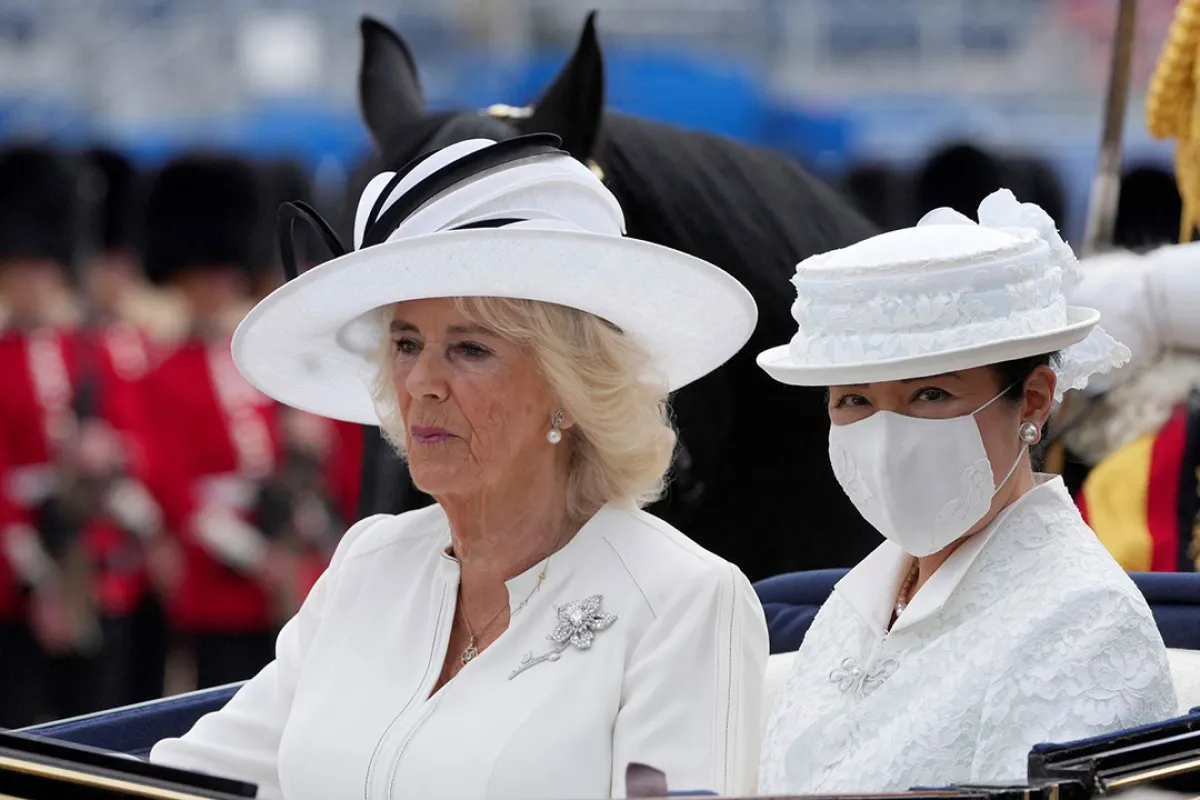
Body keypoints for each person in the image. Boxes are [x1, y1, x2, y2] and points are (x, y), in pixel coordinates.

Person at [150, 135, 768, 799]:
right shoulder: (369, 564)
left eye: (470, 349)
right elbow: (189, 779)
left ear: (569, 388)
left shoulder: (681, 600)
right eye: (406, 343)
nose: (422, 382)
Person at [755, 188, 1176, 792]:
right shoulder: (854, 604)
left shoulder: (1083, 621)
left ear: (1032, 399)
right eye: (854, 400)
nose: (885, 437)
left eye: (929, 395)